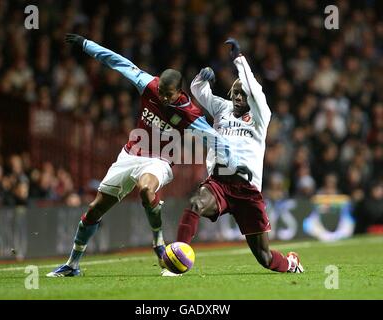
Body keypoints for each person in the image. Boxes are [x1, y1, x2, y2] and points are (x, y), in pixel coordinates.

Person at [47, 34, 238, 277]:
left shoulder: (190, 114)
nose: (162, 97)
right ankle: (72, 265)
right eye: (160, 92)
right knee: (95, 209)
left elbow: (216, 140)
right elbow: (118, 62)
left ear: (179, 92)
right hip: (129, 155)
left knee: (146, 189)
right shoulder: (148, 85)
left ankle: (158, 242)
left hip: (159, 160)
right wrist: (86, 44)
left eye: (168, 94)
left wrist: (235, 168)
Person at [176, 38, 304, 273]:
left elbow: (253, 89)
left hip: (247, 190)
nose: (237, 97)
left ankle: (291, 263)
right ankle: (177, 257)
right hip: (220, 183)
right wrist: (202, 78)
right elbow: (199, 93)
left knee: (264, 258)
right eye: (234, 93)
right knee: (195, 203)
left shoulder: (260, 114)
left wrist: (239, 60)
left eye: (242, 94)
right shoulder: (222, 109)